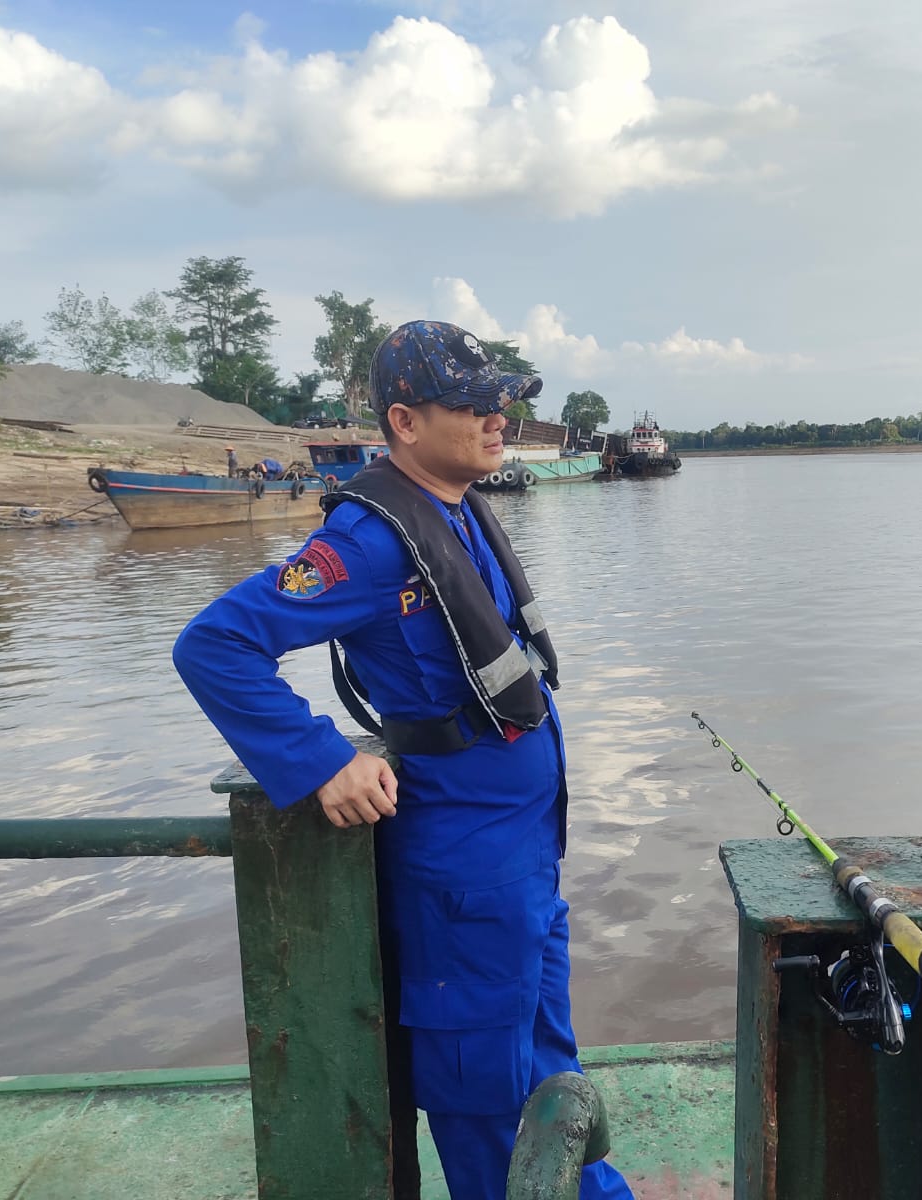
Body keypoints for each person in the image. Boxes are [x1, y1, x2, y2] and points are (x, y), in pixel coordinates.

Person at [173, 321, 635, 1200]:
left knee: (549, 1069)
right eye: (470, 402)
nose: (497, 415)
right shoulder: (371, 542)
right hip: (462, 874)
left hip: (523, 858)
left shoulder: (456, 514)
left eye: (501, 398)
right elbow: (215, 645)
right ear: (404, 422)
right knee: (487, 1102)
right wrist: (318, 760)